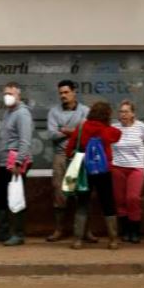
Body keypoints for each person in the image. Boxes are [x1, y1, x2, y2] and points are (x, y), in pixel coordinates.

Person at [65, 102, 123, 250]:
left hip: (85, 171)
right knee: (108, 203)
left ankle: (77, 240)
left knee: (83, 203)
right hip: (104, 171)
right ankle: (113, 240)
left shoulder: (81, 127)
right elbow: (118, 135)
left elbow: (69, 149)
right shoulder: (107, 130)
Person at [0, 82, 33, 247]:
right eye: (5, 93)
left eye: (11, 93)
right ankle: (2, 231)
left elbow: (25, 140)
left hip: (16, 162)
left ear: (18, 95)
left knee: (15, 196)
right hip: (3, 162)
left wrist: (19, 161)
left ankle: (18, 234)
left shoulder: (23, 114)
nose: (8, 96)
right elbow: (3, 140)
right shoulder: (7, 113)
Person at [45, 80, 91, 243]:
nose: (63, 96)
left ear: (74, 92)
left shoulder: (85, 110)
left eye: (66, 92)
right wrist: (75, 131)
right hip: (61, 157)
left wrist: (64, 129)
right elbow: (51, 134)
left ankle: (85, 231)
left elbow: (87, 133)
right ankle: (59, 230)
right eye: (61, 93)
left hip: (79, 156)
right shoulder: (54, 112)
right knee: (60, 194)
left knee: (81, 193)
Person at [111, 100, 144, 243]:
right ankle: (126, 231)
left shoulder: (141, 127)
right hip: (117, 167)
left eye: (126, 111)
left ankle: (135, 231)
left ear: (132, 114)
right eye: (121, 111)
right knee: (120, 200)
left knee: (133, 198)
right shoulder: (114, 128)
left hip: (136, 168)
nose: (123, 114)